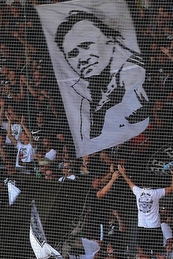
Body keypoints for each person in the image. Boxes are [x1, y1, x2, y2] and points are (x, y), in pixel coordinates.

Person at [53, 10, 149, 155]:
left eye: (86, 45)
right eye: (73, 54)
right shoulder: (86, 93)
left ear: (110, 41)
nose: (82, 59)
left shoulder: (132, 71)